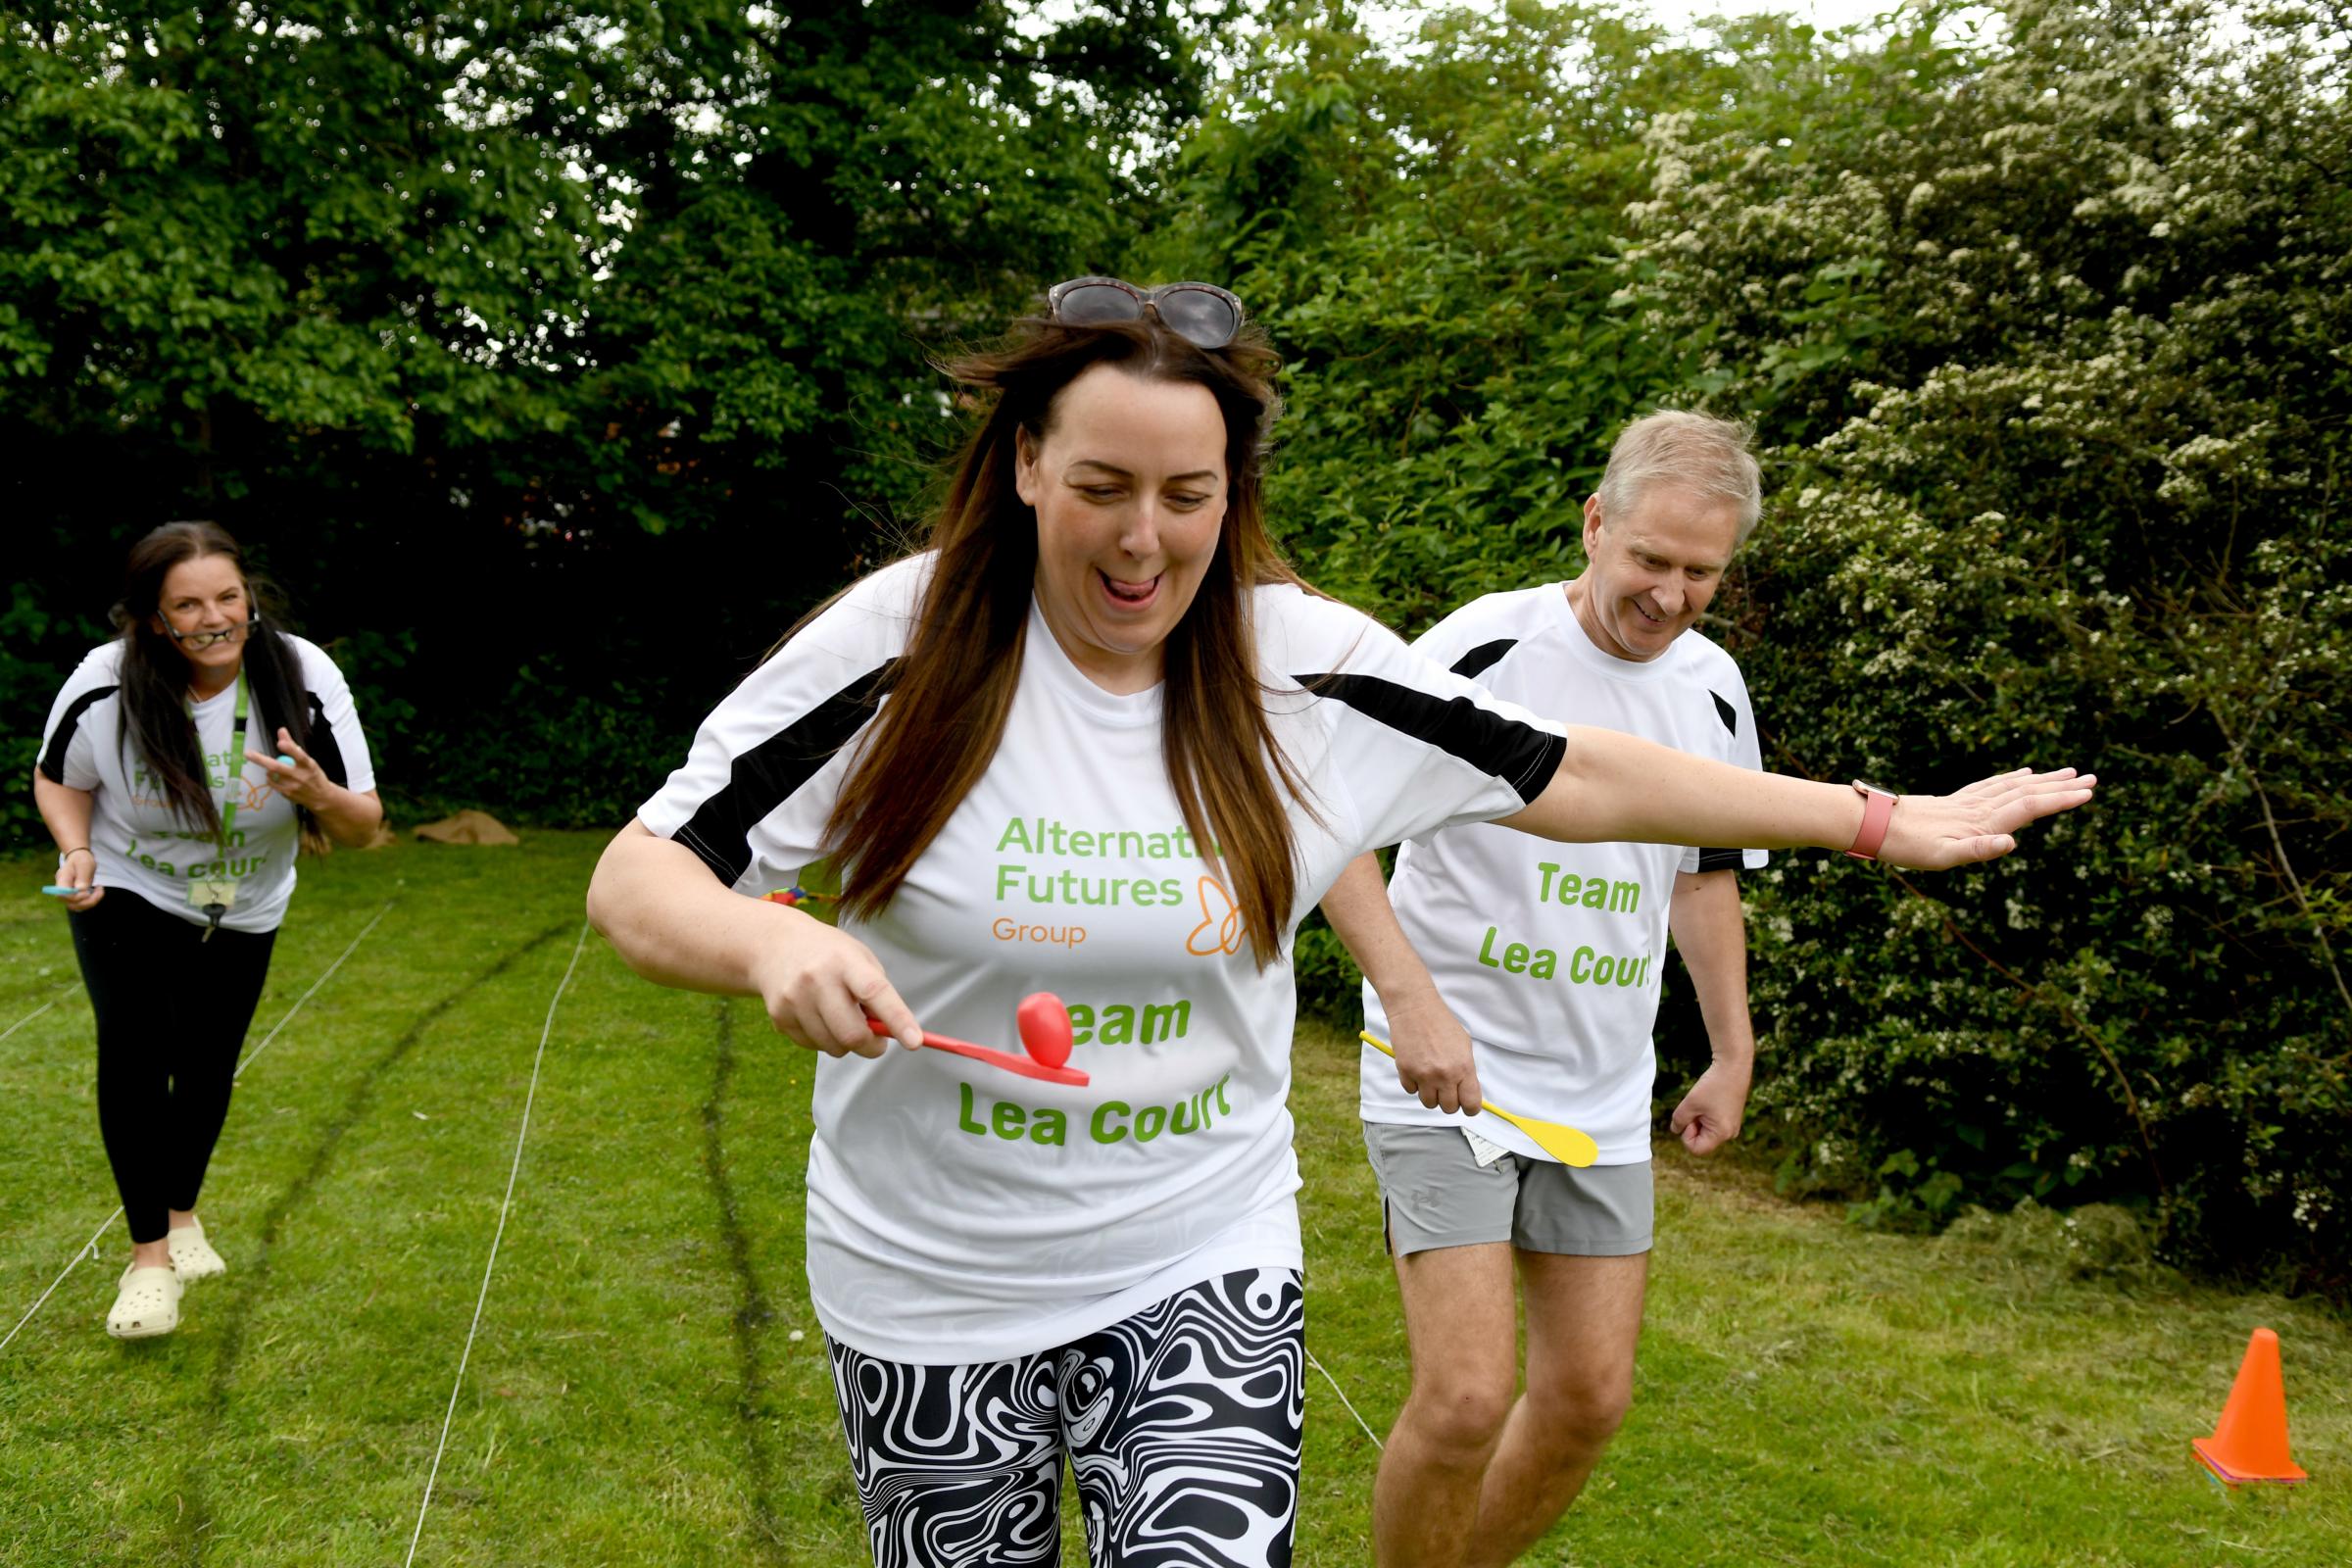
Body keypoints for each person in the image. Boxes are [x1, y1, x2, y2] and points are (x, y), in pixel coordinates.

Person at [585, 279, 2092, 1568]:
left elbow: (1569, 772)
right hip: (925, 1275)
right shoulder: (903, 642)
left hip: (1194, 1255)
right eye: (1104, 487)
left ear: (1232, 493)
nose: (1143, 544)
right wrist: (771, 941)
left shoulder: (1299, 662)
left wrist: (1873, 816)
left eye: (1189, 497)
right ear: (1029, 463)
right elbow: (644, 875)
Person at [1321, 411, 1777, 1568]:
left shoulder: (1716, 691)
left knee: (1587, 1401)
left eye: (1700, 573)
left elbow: (1703, 875)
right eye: (1651, 560)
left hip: (1604, 1094)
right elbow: (1331, 817)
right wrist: (1408, 999)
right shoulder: (1484, 646)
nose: (1670, 595)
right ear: (1595, 524)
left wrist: (1730, 1048)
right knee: (1468, 1397)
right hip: (1444, 1071)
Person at [33, 521, 382, 1340]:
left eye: (228, 597)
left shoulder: (302, 676)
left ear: (250, 602)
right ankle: (148, 1261)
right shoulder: (105, 682)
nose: (213, 618)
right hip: (130, 884)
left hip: (246, 900)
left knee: (207, 1063)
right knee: (134, 1047)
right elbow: (56, 780)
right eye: (187, 605)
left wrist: (318, 794)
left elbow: (366, 824)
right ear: (156, 620)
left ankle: (182, 1214)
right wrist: (77, 849)